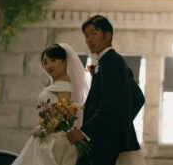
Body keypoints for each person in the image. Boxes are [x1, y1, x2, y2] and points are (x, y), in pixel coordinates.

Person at [66, 14, 145, 165]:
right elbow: (138, 98)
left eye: (94, 34)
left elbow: (110, 103)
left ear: (108, 35)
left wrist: (85, 132)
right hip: (100, 141)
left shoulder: (111, 61)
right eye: (86, 36)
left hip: (102, 142)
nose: (89, 40)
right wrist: (121, 123)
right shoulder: (108, 61)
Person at [12, 43, 89, 165]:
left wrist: (43, 128)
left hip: (55, 141)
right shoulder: (58, 84)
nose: (49, 65)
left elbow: (65, 116)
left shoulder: (63, 85)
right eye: (45, 62)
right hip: (49, 137)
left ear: (65, 62)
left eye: (53, 60)